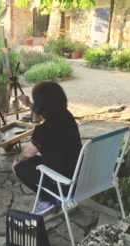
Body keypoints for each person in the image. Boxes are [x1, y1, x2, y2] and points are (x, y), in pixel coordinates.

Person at [12, 81, 82, 215]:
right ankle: (50, 199)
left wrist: (16, 160)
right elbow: (47, 110)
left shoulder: (44, 128)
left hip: (64, 185)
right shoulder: (66, 115)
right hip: (77, 173)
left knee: (19, 166)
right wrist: (30, 105)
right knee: (32, 162)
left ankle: (51, 199)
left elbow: (28, 153)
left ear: (41, 104)